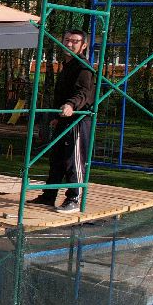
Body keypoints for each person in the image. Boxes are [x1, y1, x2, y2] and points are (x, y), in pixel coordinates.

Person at [32, 27, 95, 212]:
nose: (68, 44)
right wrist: (56, 117)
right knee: (57, 158)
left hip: (77, 119)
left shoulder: (83, 67)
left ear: (83, 46)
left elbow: (83, 92)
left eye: (74, 41)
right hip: (63, 118)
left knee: (73, 159)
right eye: (66, 39)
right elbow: (61, 93)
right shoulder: (67, 65)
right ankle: (49, 196)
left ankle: (74, 198)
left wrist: (71, 105)